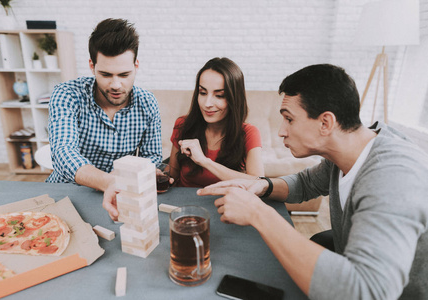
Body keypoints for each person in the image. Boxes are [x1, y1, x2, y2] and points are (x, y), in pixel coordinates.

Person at [198, 64, 428, 299]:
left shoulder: (393, 177)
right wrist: (262, 185)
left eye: (289, 119)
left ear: (325, 123)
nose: (281, 131)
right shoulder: (346, 153)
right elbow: (306, 183)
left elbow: (367, 292)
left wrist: (258, 214)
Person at [47, 18, 162, 194]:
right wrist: (109, 181)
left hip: (121, 191)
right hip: (67, 190)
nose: (116, 84)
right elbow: (64, 152)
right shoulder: (67, 94)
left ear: (136, 66)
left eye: (124, 75)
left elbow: (153, 156)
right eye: (106, 74)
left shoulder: (147, 103)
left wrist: (127, 174)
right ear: (92, 67)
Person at [168, 57, 264, 187]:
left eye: (219, 95)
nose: (207, 104)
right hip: (185, 205)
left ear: (234, 98)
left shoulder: (248, 133)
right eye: (202, 93)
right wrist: (158, 175)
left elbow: (259, 184)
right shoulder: (183, 124)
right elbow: (172, 176)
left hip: (226, 205)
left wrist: (204, 161)